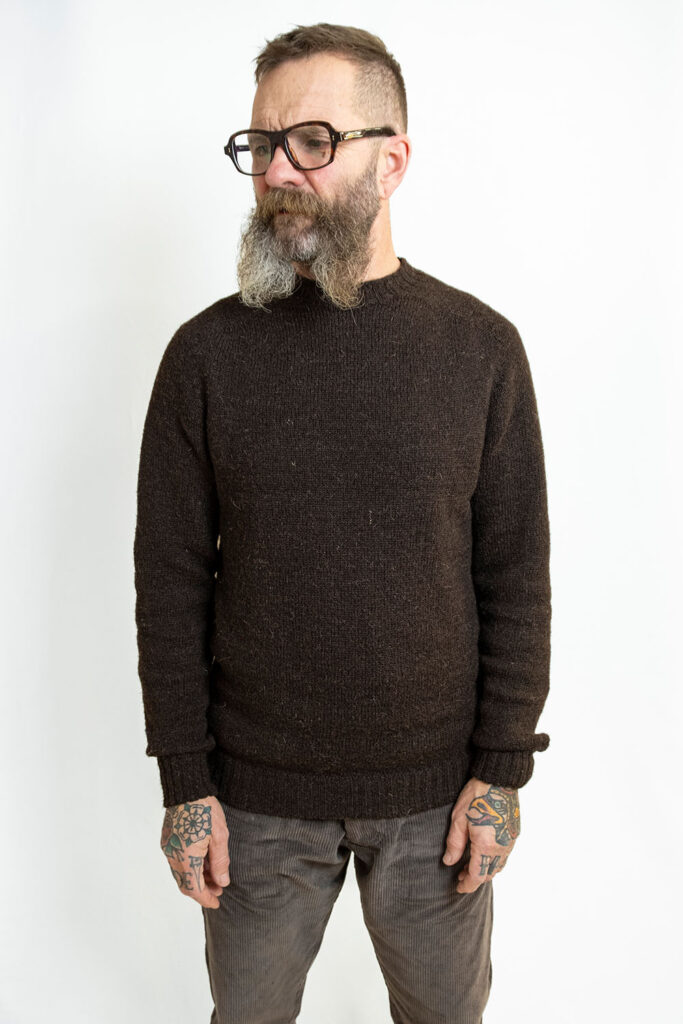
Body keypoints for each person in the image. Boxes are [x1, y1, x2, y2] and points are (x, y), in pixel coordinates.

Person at [133, 21, 552, 1024]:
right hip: (252, 801)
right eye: (261, 144)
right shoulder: (204, 357)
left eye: (312, 142)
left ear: (391, 159)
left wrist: (499, 771)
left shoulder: (479, 349)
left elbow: (514, 575)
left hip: (437, 799)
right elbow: (170, 583)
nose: (278, 172)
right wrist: (185, 782)